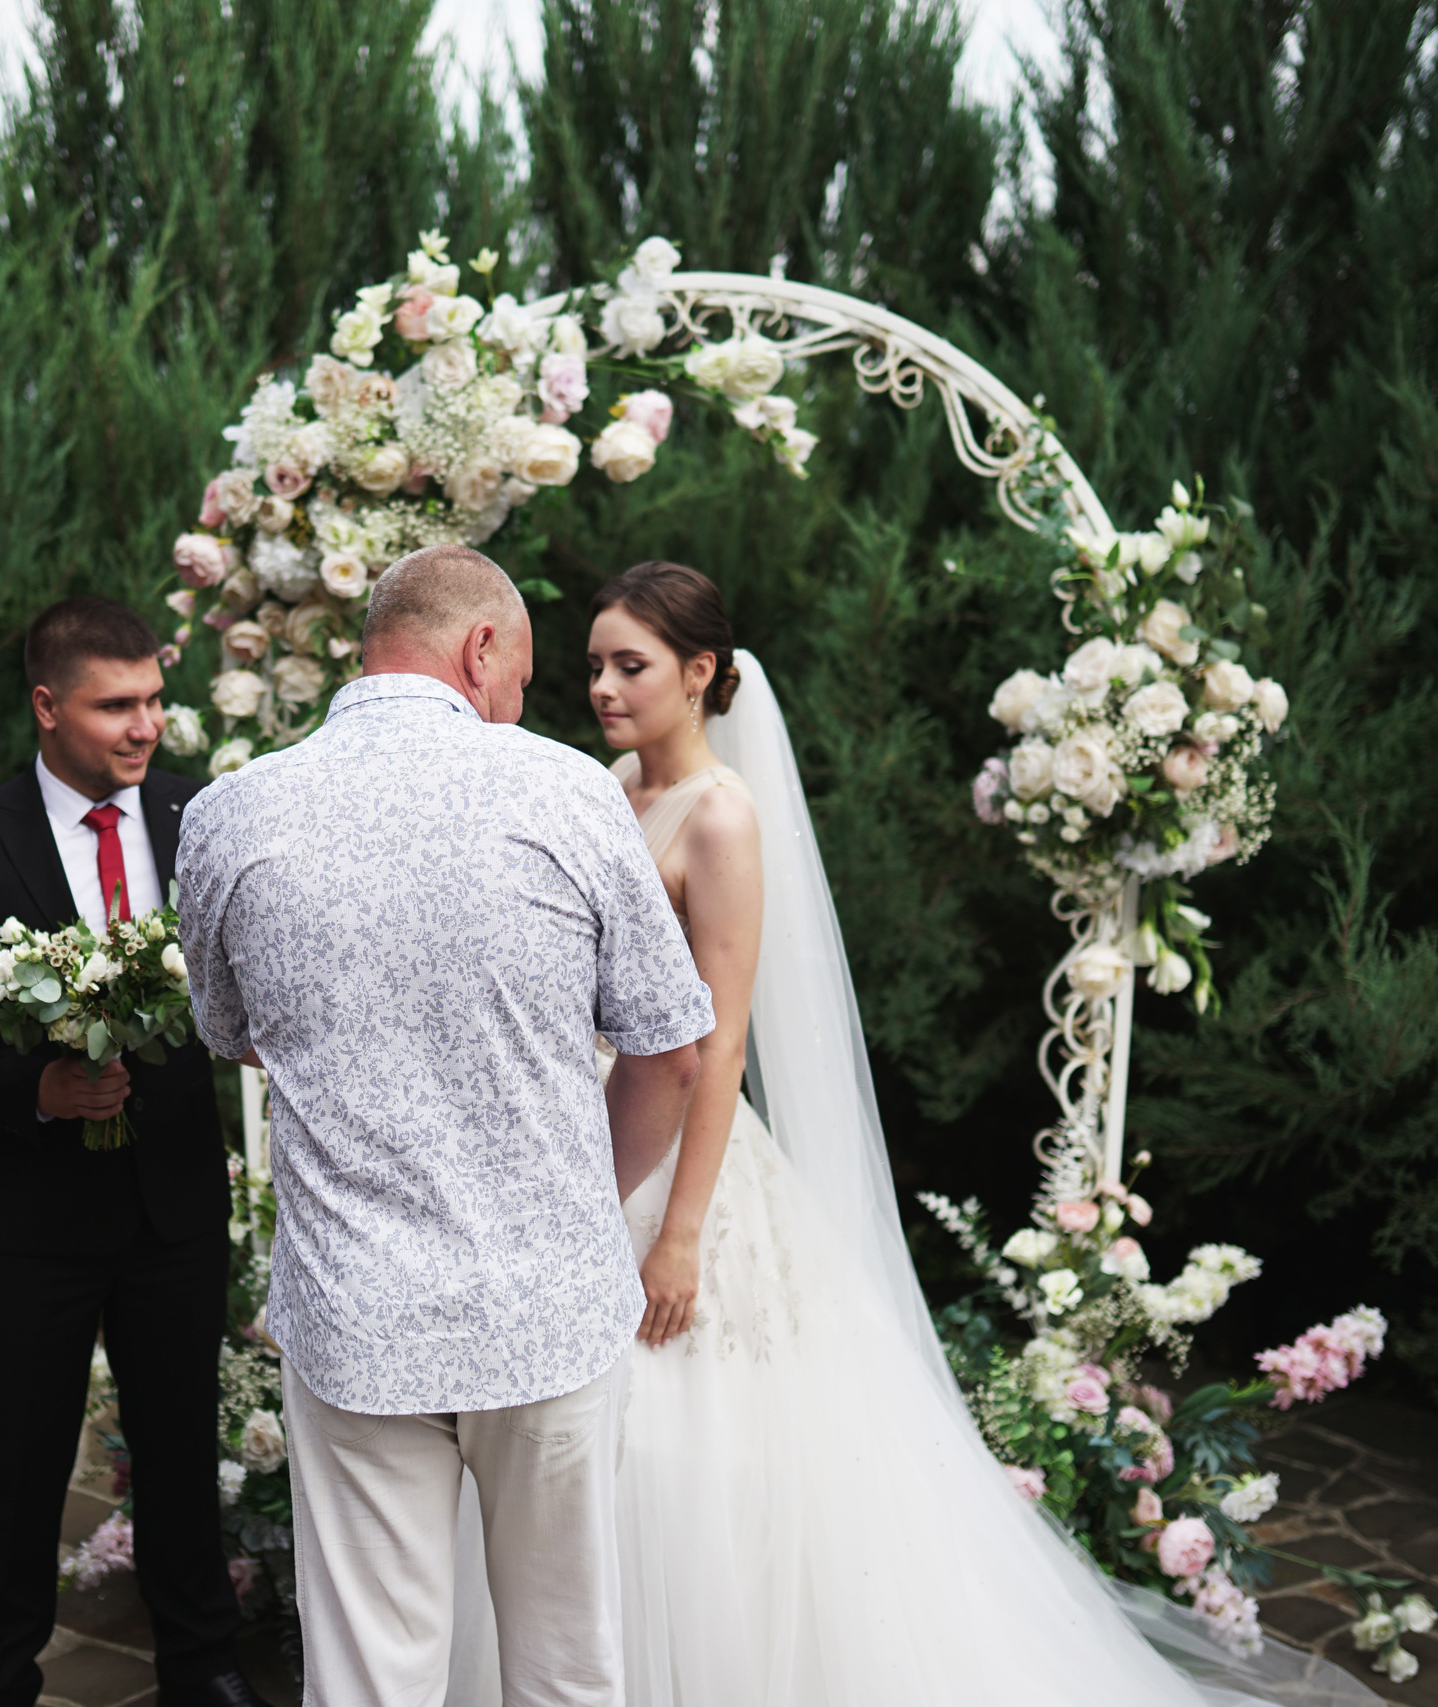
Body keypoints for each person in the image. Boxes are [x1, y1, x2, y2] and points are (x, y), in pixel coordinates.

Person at [446, 562, 1377, 1707]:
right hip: (578, 1134)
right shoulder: (598, 789)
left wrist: (679, 1233)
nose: (600, 687)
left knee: (680, 1451)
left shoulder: (722, 819)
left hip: (683, 1157)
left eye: (628, 666)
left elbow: (722, 1039)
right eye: (591, 665)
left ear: (699, 676)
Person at [176, 544, 717, 1707]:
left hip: (357, 1315)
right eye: (518, 677)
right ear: (480, 649)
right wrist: (581, 1196)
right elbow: (671, 1051)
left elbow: (238, 1035)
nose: (516, 706)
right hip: (547, 1309)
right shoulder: (568, 792)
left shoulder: (228, 813)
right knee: (567, 1667)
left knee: (371, 1680)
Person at [0, 596, 271, 1707]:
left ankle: (204, 1672)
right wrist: (33, 1089)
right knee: (20, 1465)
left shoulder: (202, 818)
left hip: (173, 1209)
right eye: (116, 707)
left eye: (154, 700)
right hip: (31, 1223)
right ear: (48, 707)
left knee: (184, 1457)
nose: (146, 727)